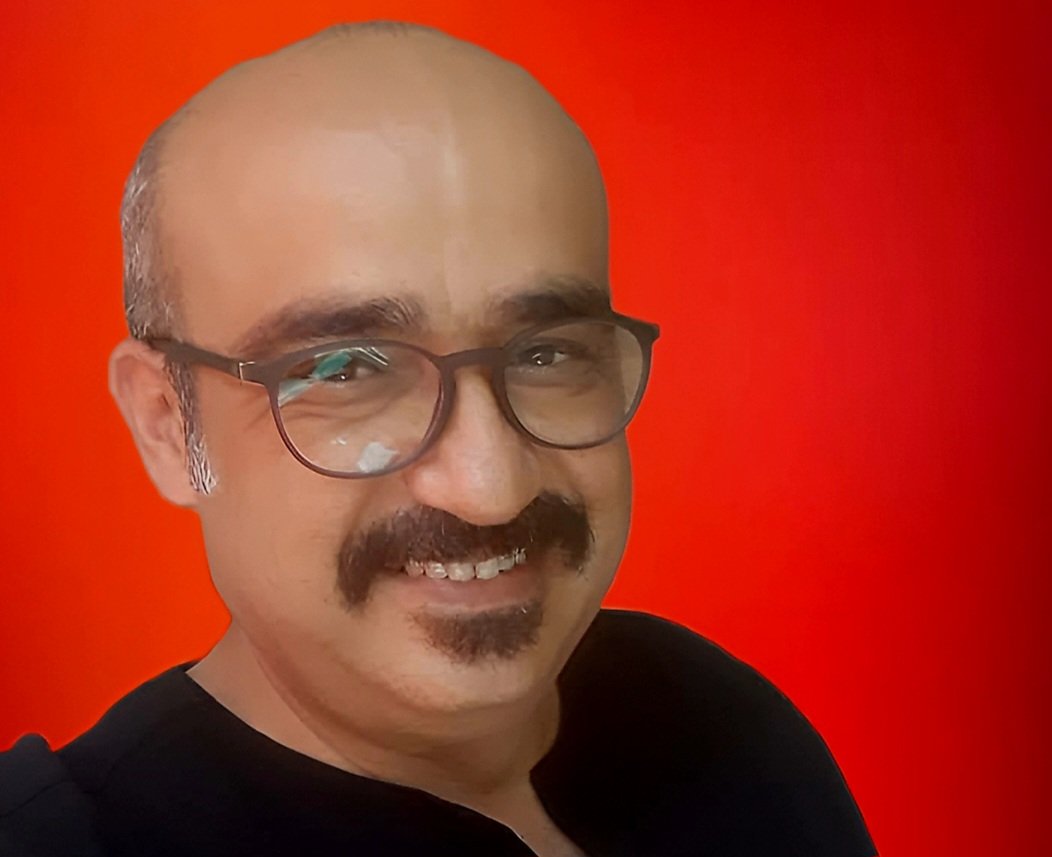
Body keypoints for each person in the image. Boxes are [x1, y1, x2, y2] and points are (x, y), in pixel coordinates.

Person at [0, 21, 876, 857]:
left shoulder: (715, 721)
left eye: (545, 352)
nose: (491, 486)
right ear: (167, 424)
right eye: (347, 368)